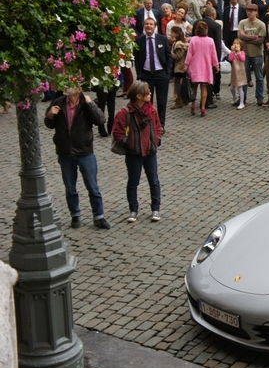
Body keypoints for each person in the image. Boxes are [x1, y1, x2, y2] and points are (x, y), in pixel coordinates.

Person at [44, 86, 110, 230]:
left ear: (79, 89)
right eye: (65, 86)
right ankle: (75, 214)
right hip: (65, 152)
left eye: (70, 86)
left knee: (93, 186)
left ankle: (99, 216)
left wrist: (90, 104)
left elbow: (100, 120)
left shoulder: (85, 104)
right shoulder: (59, 102)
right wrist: (50, 114)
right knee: (70, 188)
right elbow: (49, 124)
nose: (66, 88)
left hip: (85, 151)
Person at [111, 81, 163, 223]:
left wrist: (156, 140)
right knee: (133, 182)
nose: (150, 94)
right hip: (134, 154)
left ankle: (156, 208)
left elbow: (158, 126)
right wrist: (130, 144)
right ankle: (133, 210)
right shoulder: (125, 113)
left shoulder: (152, 110)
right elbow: (117, 132)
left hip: (150, 152)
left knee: (154, 181)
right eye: (148, 92)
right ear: (139, 96)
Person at [134, 17, 173, 130]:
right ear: (144, 26)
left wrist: (168, 73)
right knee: (146, 101)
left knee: (162, 101)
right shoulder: (140, 41)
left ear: (155, 27)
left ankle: (160, 125)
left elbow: (168, 56)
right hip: (146, 75)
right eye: (147, 24)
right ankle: (148, 123)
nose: (149, 26)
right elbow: (137, 59)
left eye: (151, 24)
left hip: (161, 74)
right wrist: (140, 74)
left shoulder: (162, 39)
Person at [184, 22, 220, 116]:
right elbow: (214, 54)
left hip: (195, 66)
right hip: (206, 67)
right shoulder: (210, 40)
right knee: (204, 88)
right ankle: (203, 108)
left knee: (194, 88)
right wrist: (216, 65)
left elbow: (189, 54)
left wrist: (186, 64)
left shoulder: (193, 40)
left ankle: (193, 105)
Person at [238, 3, 267, 106]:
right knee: (244, 77)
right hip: (244, 54)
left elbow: (260, 40)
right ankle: (242, 98)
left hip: (257, 54)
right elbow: (239, 36)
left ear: (256, 12)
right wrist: (253, 37)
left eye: (251, 10)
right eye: (247, 10)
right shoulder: (242, 22)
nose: (249, 12)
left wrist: (246, 37)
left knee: (259, 77)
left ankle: (259, 97)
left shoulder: (261, 24)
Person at [170, 26, 189, 109]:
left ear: (176, 34)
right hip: (181, 66)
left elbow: (178, 56)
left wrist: (169, 54)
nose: (171, 34)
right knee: (180, 83)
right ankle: (182, 99)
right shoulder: (180, 43)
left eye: (172, 32)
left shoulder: (178, 44)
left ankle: (179, 100)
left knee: (178, 83)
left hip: (179, 66)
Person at [228, 39, 248, 109]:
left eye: (237, 43)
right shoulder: (233, 53)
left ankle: (242, 103)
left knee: (240, 88)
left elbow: (243, 59)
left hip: (240, 72)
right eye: (234, 43)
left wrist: (239, 52)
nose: (235, 45)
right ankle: (234, 96)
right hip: (234, 72)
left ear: (240, 46)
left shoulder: (242, 52)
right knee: (231, 87)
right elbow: (230, 58)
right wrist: (232, 51)